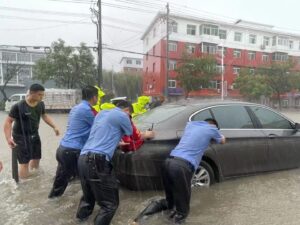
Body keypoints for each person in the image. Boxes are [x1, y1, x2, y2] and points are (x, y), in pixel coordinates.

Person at [76, 100, 133, 225]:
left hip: (82, 159)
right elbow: (131, 133)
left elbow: (101, 136)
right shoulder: (123, 115)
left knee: (88, 199)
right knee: (110, 205)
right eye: (130, 115)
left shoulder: (101, 114)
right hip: (97, 161)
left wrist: (116, 143)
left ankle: (79, 221)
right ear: (127, 110)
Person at [162, 118, 226, 224]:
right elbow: (222, 141)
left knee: (170, 204)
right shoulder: (212, 129)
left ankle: (139, 220)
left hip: (168, 162)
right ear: (213, 125)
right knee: (182, 211)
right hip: (181, 167)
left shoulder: (190, 125)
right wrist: (220, 134)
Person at [48, 86, 98, 198]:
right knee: (88, 180)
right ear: (94, 97)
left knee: (59, 183)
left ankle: (52, 203)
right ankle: (85, 210)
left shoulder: (76, 108)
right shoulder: (88, 111)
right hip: (73, 152)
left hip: (63, 148)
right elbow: (99, 128)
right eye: (97, 97)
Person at [3, 83, 60, 179]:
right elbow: (8, 122)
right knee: (24, 163)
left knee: (36, 158)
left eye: (43, 95)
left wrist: (54, 126)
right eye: (40, 95)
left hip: (34, 135)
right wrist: (8, 138)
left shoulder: (41, 104)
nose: (42, 97)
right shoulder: (18, 106)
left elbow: (44, 116)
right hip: (20, 137)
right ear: (31, 93)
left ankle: (34, 182)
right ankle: (24, 187)